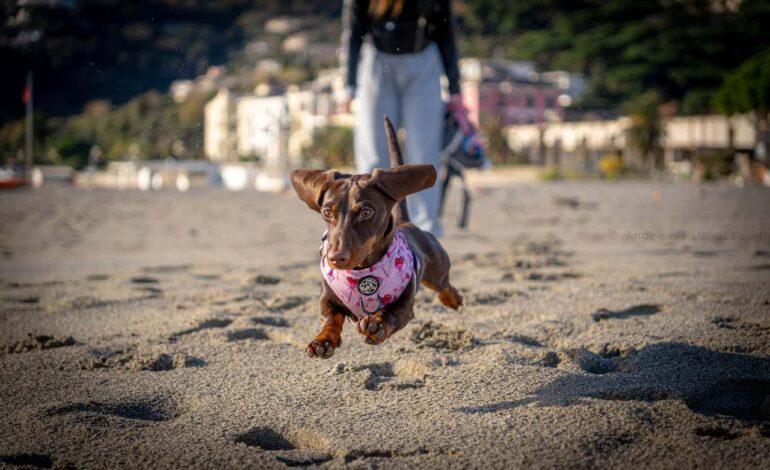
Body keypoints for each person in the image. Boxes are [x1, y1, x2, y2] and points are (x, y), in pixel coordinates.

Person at [339, 0, 472, 237]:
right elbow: (353, 31)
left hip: (424, 65)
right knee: (373, 155)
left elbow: (445, 33)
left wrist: (455, 88)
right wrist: (347, 85)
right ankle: (372, 227)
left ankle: (424, 231)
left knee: (424, 153)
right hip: (377, 63)